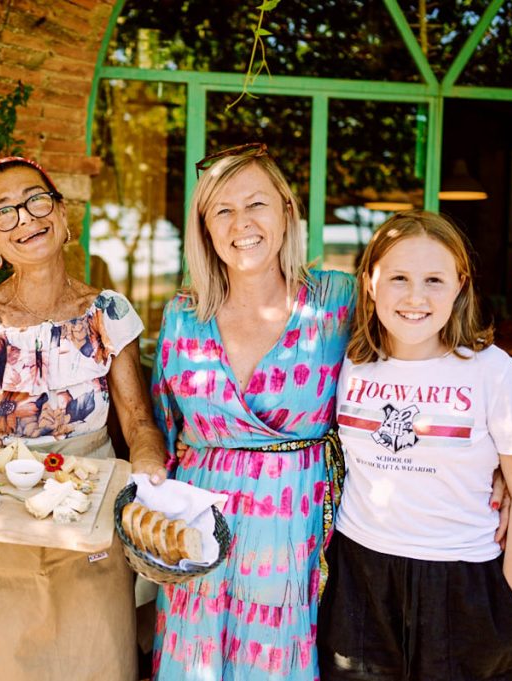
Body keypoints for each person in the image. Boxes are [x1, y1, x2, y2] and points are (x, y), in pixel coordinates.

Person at [0, 156, 167, 681]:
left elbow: (137, 421)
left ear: (63, 217)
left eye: (36, 200)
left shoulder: (107, 312)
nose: (25, 218)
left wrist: (149, 468)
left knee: (96, 663)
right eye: (3, 212)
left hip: (92, 519)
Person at [150, 143, 355, 680]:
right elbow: (161, 427)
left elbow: (411, 369)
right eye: (223, 210)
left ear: (287, 211)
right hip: (198, 530)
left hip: (296, 524)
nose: (242, 222)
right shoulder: (182, 316)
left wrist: (486, 460)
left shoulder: (339, 300)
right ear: (206, 228)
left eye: (256, 204)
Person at [319, 210, 512, 680]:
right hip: (360, 576)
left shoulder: (494, 373)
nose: (415, 297)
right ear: (369, 282)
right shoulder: (346, 362)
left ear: (461, 285)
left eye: (434, 280)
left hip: (462, 579)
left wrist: (509, 609)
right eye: (398, 277)